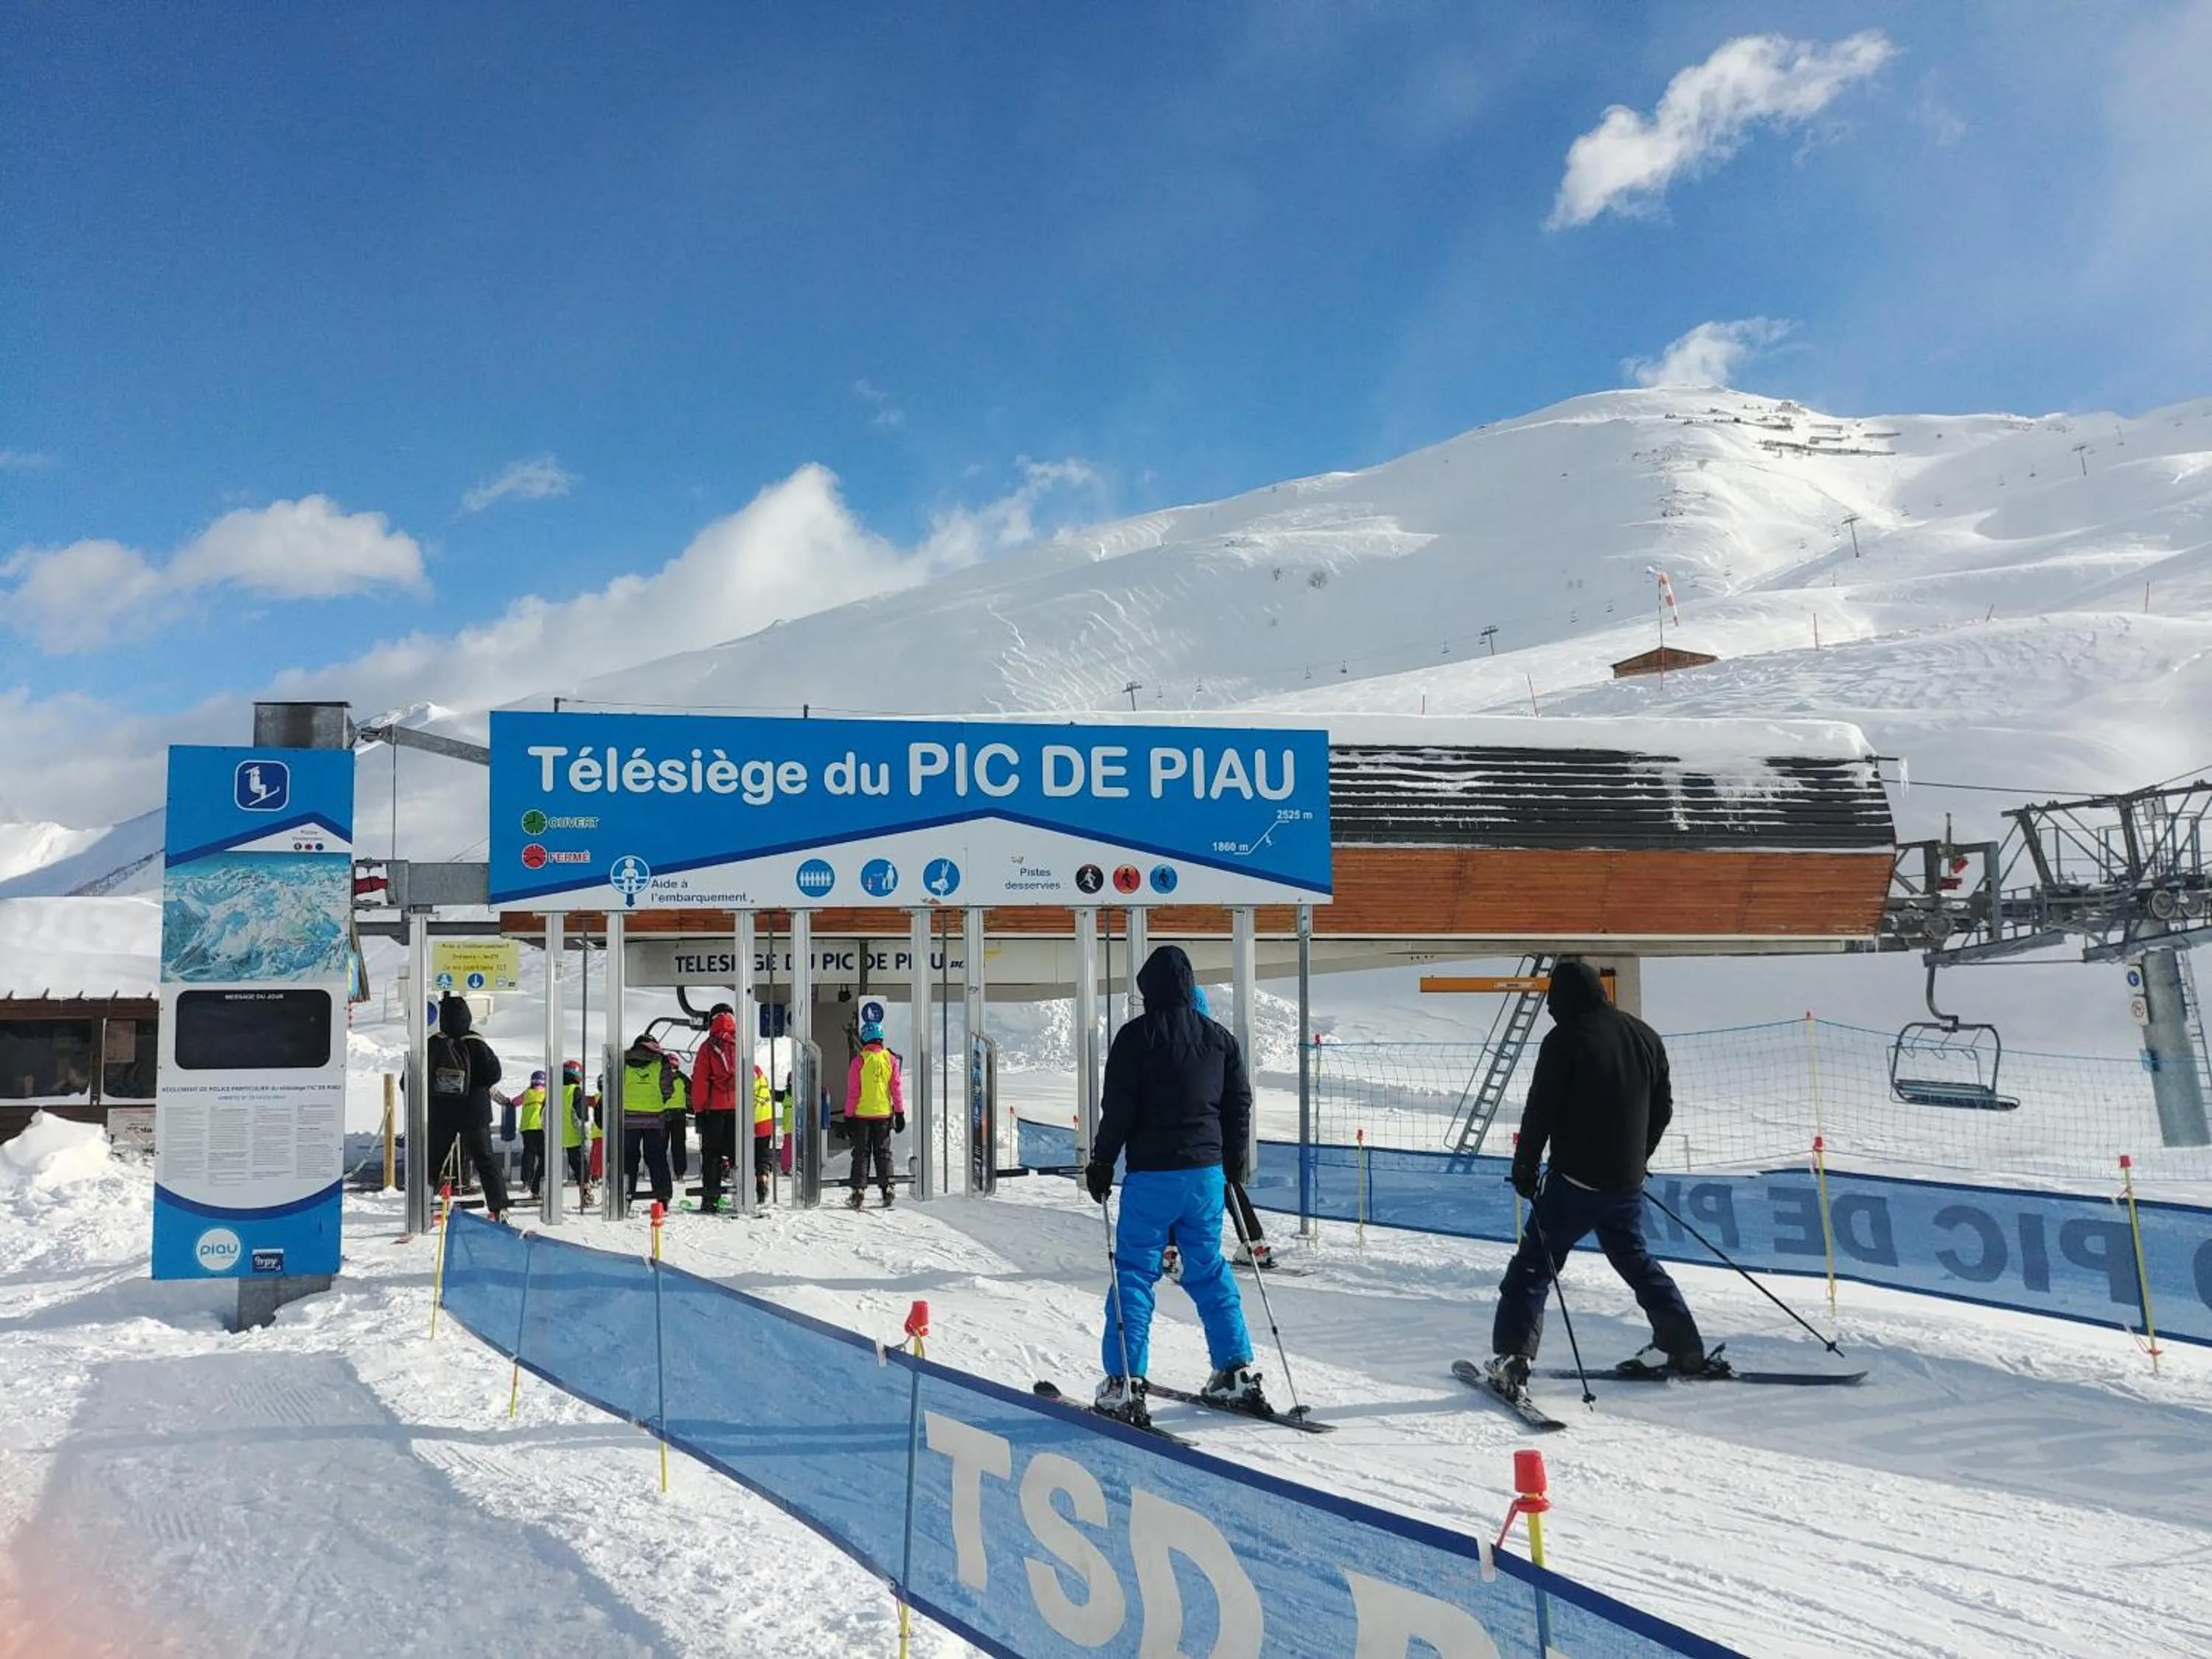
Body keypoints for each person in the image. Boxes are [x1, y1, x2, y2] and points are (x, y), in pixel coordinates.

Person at [1486, 959, 1722, 1397]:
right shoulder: (1644, 1034)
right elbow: (1663, 1108)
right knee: (1636, 1261)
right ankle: (1683, 1346)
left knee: (1535, 1264)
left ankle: (1513, 1358)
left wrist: (1525, 1167)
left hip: (1574, 1182)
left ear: (1562, 998)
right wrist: (1637, 1156)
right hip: (1626, 1184)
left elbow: (1542, 1108)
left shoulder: (1564, 1039)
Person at [1084, 945, 1265, 1425]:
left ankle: (1125, 1381)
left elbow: (1118, 1107)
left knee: (1135, 1275)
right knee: (1208, 1270)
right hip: (1205, 1177)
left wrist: (1102, 1162)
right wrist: (1232, 1162)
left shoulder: (1135, 1037)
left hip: (1152, 1176)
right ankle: (1236, 1369)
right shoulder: (1220, 1040)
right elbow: (1238, 1103)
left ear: (1149, 990)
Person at [1162, 984, 1272, 1282]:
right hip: (1220, 1134)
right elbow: (1237, 1096)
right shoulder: (1220, 1043)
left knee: (1175, 1186)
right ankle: (1255, 1243)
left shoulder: (1170, 1044)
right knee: (1229, 1185)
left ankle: (1169, 1247)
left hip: (1185, 1138)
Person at [425, 996, 510, 1221]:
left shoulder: (434, 1043)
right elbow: (494, 1074)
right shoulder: (476, 1043)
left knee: (432, 1161)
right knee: (486, 1160)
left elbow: (412, 1078)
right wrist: (475, 1085)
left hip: (441, 1112)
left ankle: (422, 1207)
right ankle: (498, 1208)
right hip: (475, 1112)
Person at [843, 1022, 903, 1209]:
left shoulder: (859, 1061)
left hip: (862, 1115)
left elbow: (854, 1092)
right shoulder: (890, 1059)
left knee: (861, 1153)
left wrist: (848, 1116)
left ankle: (858, 1191)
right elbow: (896, 1088)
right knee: (883, 1152)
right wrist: (899, 1112)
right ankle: (888, 1188)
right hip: (884, 1114)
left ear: (864, 1039)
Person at [689, 1012, 742, 1213]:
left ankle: (710, 1198)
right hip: (738, 1108)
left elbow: (701, 1081)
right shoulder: (741, 1043)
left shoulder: (707, 1046)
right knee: (739, 1153)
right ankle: (741, 1196)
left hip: (715, 1110)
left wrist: (700, 1110)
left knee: (712, 1154)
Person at [619, 1032, 678, 1210]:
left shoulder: (624, 1061)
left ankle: (625, 1196)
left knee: (629, 1158)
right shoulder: (662, 1061)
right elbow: (667, 1088)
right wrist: (659, 1101)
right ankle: (663, 1196)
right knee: (656, 1157)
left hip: (628, 1117)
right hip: (655, 1117)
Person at [560, 1060, 596, 1208]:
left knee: (549, 1166)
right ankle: (586, 1194)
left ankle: (542, 1193)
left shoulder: (554, 1091)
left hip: (558, 1137)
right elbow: (582, 1115)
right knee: (582, 1167)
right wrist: (586, 1133)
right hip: (575, 1136)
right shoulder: (575, 1091)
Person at [515, 1069, 549, 1197]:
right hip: (541, 1127)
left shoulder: (527, 1093)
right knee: (543, 1155)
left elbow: (515, 1102)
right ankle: (540, 1179)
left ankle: (526, 1181)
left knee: (529, 1153)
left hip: (527, 1128)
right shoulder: (546, 1093)